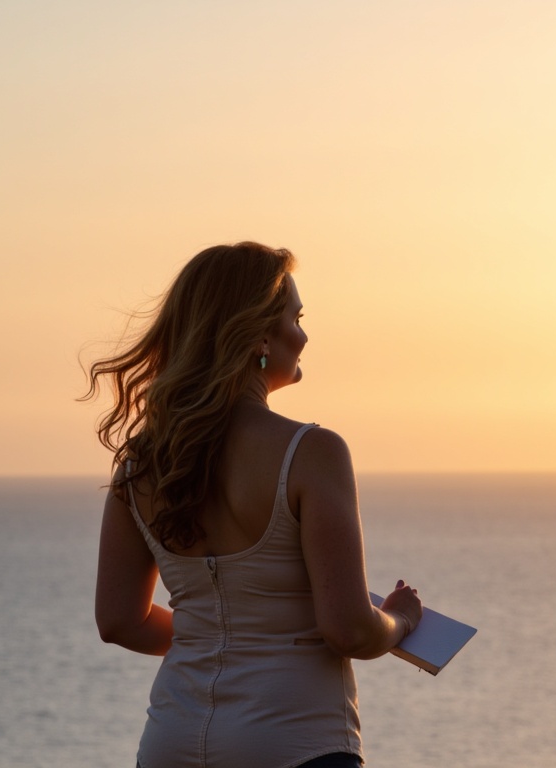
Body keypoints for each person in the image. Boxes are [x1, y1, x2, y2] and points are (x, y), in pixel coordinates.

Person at [83, 242, 422, 768]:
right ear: (260, 336)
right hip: (293, 744)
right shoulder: (312, 453)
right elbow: (350, 629)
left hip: (170, 741)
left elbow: (119, 621)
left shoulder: (140, 466)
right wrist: (398, 620)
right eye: (297, 317)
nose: (304, 335)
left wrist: (214, 636)